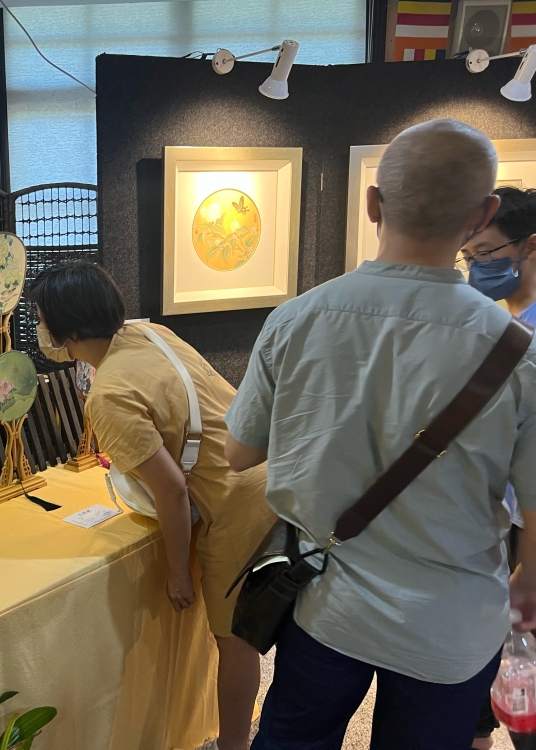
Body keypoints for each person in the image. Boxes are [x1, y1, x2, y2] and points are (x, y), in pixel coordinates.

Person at [223, 118, 536, 750]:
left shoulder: (295, 320)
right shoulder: (517, 352)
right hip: (452, 624)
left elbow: (239, 452)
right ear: (483, 214)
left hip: (326, 603)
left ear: (372, 203)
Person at [29, 262, 276, 750]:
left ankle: (233, 745)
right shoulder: (150, 332)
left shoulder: (109, 395)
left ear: (67, 328)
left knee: (236, 640)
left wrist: (179, 573)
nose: (39, 328)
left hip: (235, 503)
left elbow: (171, 490)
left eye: (41, 317)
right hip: (270, 465)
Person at [460, 186, 536, 750]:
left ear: (530, 248)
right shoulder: (490, 320)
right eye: (469, 255)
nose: (477, 266)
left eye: (487, 252)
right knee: (486, 673)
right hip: (501, 517)